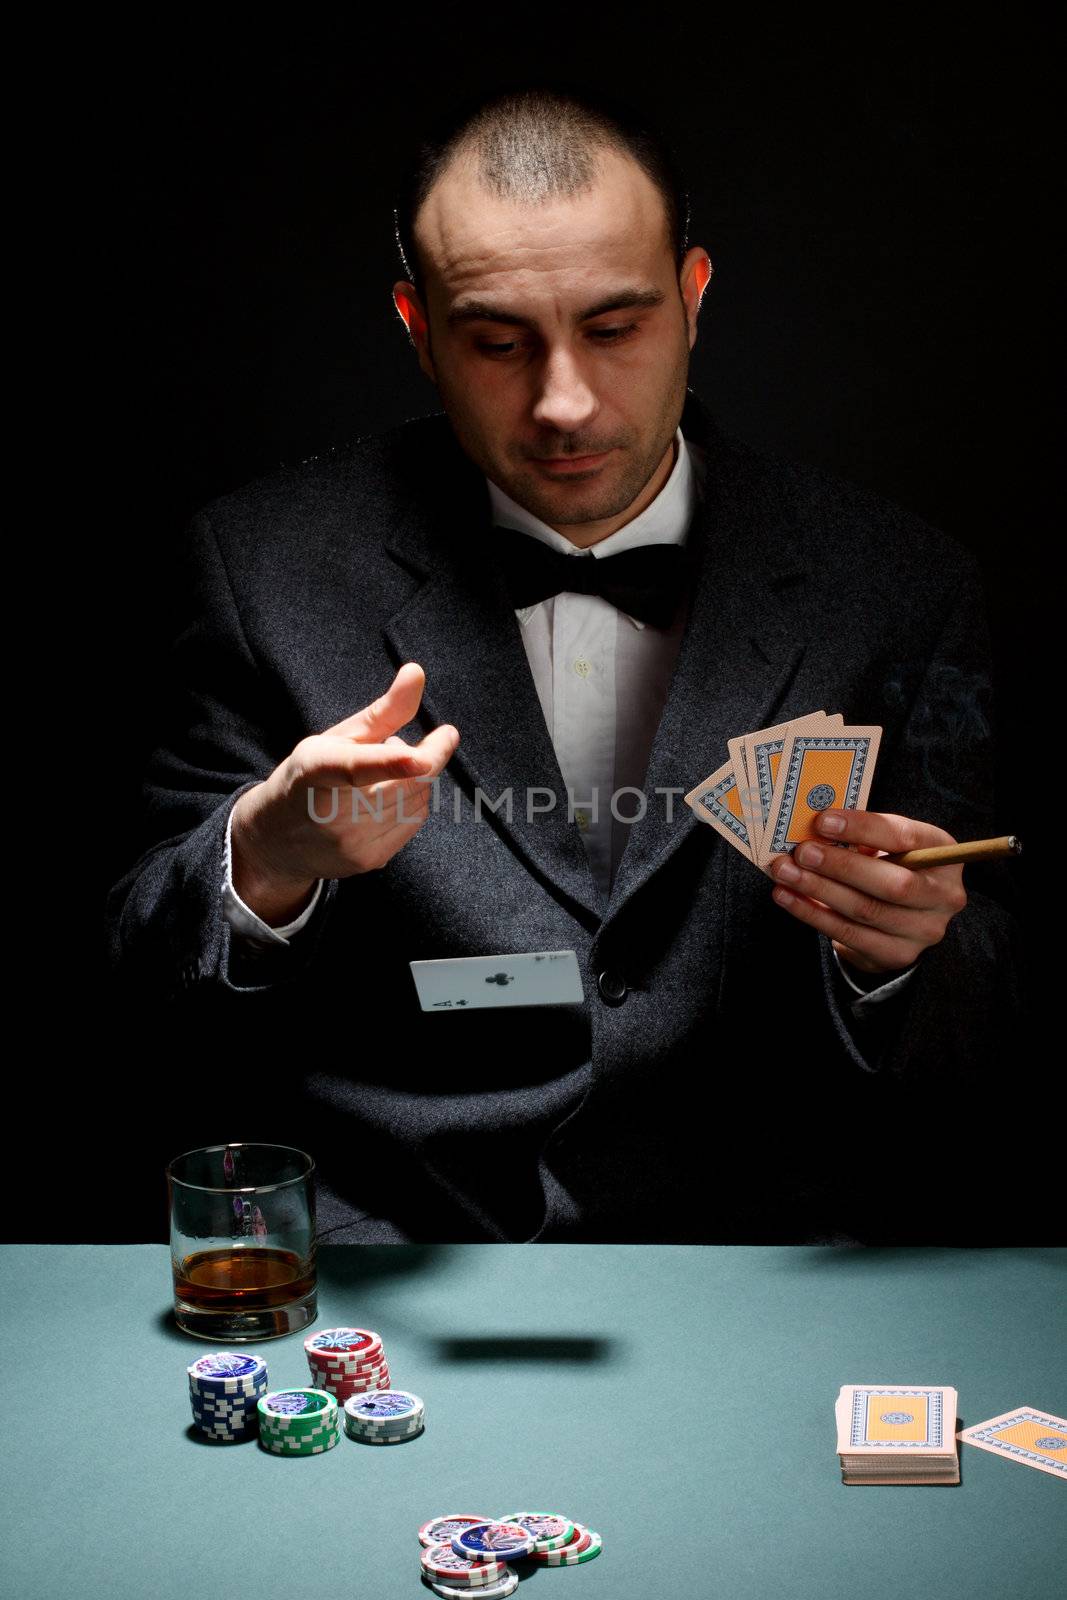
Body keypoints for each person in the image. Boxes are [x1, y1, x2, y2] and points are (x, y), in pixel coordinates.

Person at [106, 85, 1020, 1245]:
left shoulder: (897, 583)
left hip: (768, 1264)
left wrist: (896, 957)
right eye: (496, 342)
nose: (564, 402)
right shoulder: (260, 568)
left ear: (691, 297)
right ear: (415, 327)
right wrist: (262, 858)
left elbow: (992, 1006)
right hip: (398, 1253)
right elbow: (133, 988)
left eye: (615, 327)